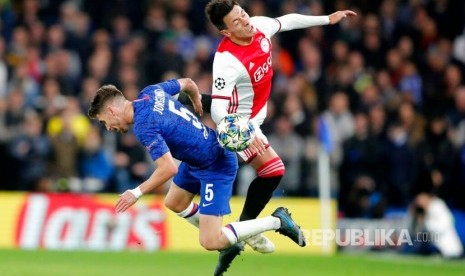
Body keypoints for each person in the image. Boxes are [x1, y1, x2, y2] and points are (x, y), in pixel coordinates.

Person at [179, 0, 356, 272]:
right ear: (226, 32)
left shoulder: (258, 26)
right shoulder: (226, 60)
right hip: (238, 122)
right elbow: (219, 111)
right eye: (237, 22)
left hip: (256, 117)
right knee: (273, 170)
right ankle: (245, 230)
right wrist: (246, 131)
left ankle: (240, 232)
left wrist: (326, 19)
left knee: (176, 201)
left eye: (243, 14)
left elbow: (287, 20)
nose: (246, 21)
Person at [87, 78, 306, 275]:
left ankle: (277, 221)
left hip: (215, 164)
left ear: (111, 112)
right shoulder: (151, 91)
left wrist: (136, 192)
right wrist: (196, 99)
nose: (108, 127)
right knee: (174, 202)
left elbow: (168, 169)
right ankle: (239, 235)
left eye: (104, 122)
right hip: (197, 159)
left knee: (211, 241)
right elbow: (188, 83)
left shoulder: (144, 126)